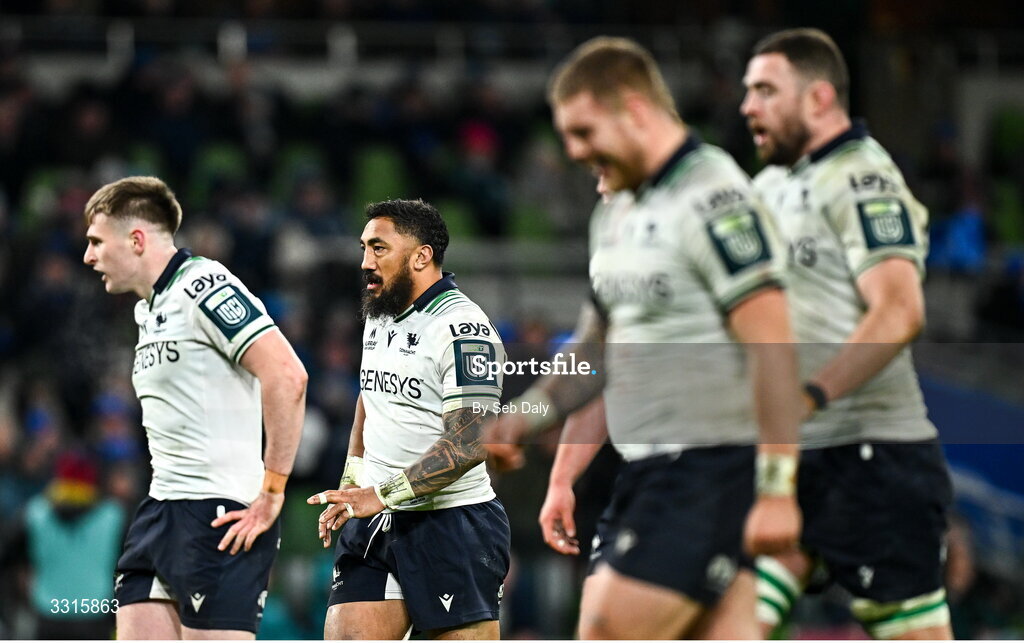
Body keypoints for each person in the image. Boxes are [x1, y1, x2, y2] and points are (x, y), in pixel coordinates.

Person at [484, 36, 804, 639]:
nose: (575, 152)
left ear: (633, 110)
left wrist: (778, 488)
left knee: (606, 627)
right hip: (646, 469)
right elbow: (591, 353)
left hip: (713, 465)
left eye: (584, 133)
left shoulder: (714, 196)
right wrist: (520, 419)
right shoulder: (615, 214)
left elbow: (775, 344)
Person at [739, 28, 954, 639]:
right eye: (747, 91)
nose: (747, 106)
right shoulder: (768, 187)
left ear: (819, 99)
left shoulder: (863, 179)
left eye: (765, 90)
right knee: (719, 620)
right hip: (785, 463)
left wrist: (808, 397)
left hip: (872, 459)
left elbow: (899, 311)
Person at [81, 176, 307, 639]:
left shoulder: (203, 285)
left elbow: (287, 376)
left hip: (220, 514)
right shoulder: (149, 309)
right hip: (159, 510)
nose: (89, 256)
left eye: (96, 241)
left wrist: (272, 491)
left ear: (136, 239)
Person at [307, 199, 510, 640]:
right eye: (364, 248)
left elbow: (468, 444)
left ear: (421, 256)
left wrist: (382, 494)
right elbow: (371, 393)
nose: (365, 262)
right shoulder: (380, 312)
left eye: (378, 248)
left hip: (453, 526)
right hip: (375, 517)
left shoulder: (463, 329)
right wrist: (353, 479)